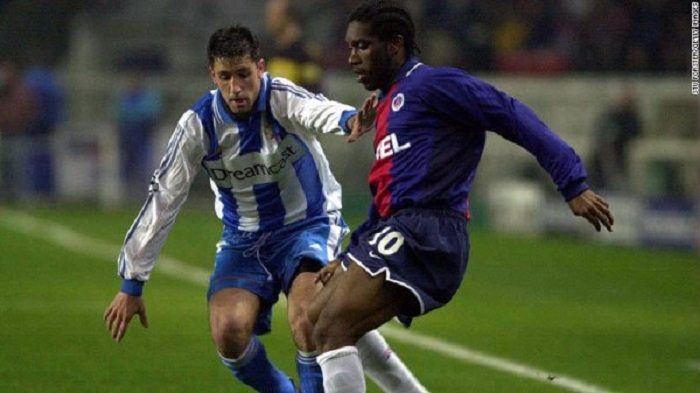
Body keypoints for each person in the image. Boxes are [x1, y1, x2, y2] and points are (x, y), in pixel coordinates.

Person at [307, 2, 615, 392]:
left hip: (429, 231)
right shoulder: (387, 106)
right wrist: (350, 252)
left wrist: (572, 182)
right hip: (399, 228)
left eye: (363, 46)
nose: (352, 58)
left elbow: (511, 114)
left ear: (395, 44)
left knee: (334, 324)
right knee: (314, 315)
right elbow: (387, 192)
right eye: (350, 47)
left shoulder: (433, 85)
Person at [103, 25, 426, 393]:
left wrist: (349, 120)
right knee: (228, 332)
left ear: (260, 67)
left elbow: (315, 110)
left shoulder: (280, 98)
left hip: (307, 225)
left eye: (243, 75)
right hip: (244, 239)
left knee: (306, 321)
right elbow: (165, 196)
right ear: (213, 75)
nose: (235, 87)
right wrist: (133, 281)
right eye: (225, 77)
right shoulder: (199, 125)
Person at [113, 70, 163, 201]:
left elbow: (151, 113)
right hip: (126, 134)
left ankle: (146, 193)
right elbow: (118, 113)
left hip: (142, 134)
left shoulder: (148, 96)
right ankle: (127, 193)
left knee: (144, 163)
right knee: (127, 165)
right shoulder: (126, 97)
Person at [588, 86, 641, 192]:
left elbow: (636, 132)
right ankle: (598, 183)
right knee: (600, 155)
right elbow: (601, 129)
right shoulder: (611, 114)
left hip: (622, 146)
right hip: (607, 145)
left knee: (611, 155)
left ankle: (613, 184)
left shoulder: (632, 117)